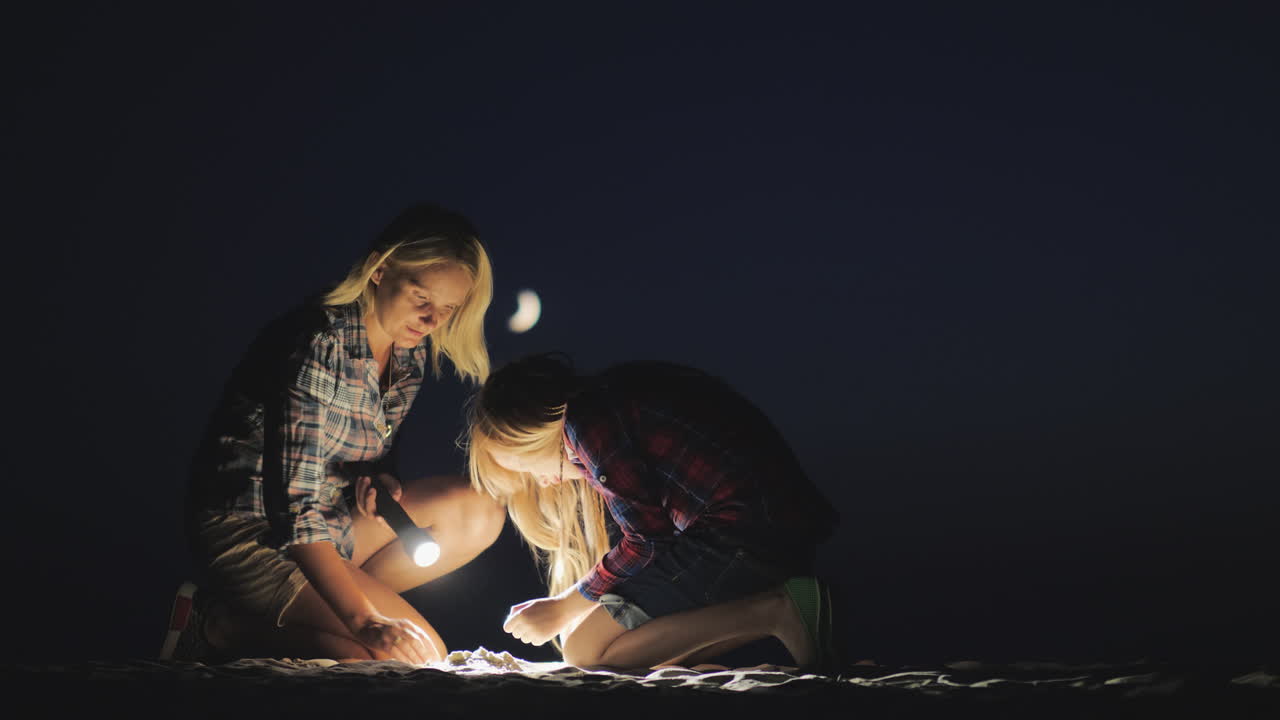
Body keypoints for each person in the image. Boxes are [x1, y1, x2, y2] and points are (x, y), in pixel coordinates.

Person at [166, 203, 507, 665]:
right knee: (414, 660)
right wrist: (365, 621)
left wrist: (380, 479)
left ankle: (319, 612)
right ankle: (220, 627)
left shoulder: (409, 357)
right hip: (257, 532)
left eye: (447, 309)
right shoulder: (318, 343)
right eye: (421, 299)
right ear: (380, 270)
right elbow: (293, 502)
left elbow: (370, 456)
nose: (431, 321)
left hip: (333, 519)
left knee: (480, 511)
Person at [464, 353, 842, 672]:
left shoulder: (587, 420)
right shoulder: (612, 397)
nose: (543, 483)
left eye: (529, 468)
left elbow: (646, 542)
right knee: (599, 642)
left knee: (584, 650)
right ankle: (777, 614)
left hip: (743, 535)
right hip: (771, 530)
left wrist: (565, 604)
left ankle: (776, 611)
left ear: (535, 432)